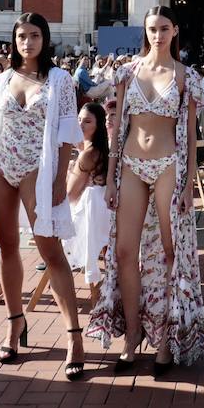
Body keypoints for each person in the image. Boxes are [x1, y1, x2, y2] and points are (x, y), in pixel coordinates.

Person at [88, 6, 204, 373]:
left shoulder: (186, 77)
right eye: (152, 29)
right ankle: (132, 333)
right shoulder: (126, 72)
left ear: (175, 31)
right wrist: (110, 178)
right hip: (129, 166)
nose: (158, 35)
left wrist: (188, 184)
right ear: (145, 32)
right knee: (125, 251)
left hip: (168, 165)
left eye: (164, 29)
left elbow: (189, 133)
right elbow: (117, 130)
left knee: (170, 254)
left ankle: (166, 340)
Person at [0, 13, 86, 377]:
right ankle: (15, 321)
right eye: (21, 36)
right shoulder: (2, 79)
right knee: (5, 246)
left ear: (44, 39)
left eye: (35, 35)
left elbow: (67, 131)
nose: (28, 42)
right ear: (14, 40)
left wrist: (58, 180)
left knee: (49, 250)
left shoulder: (59, 79)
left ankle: (74, 335)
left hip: (39, 165)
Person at [64, 102, 112, 298]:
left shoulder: (88, 155)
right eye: (79, 120)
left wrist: (70, 169)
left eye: (87, 121)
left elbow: (71, 194)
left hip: (93, 215)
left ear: (98, 125)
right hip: (106, 213)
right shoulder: (105, 149)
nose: (81, 125)